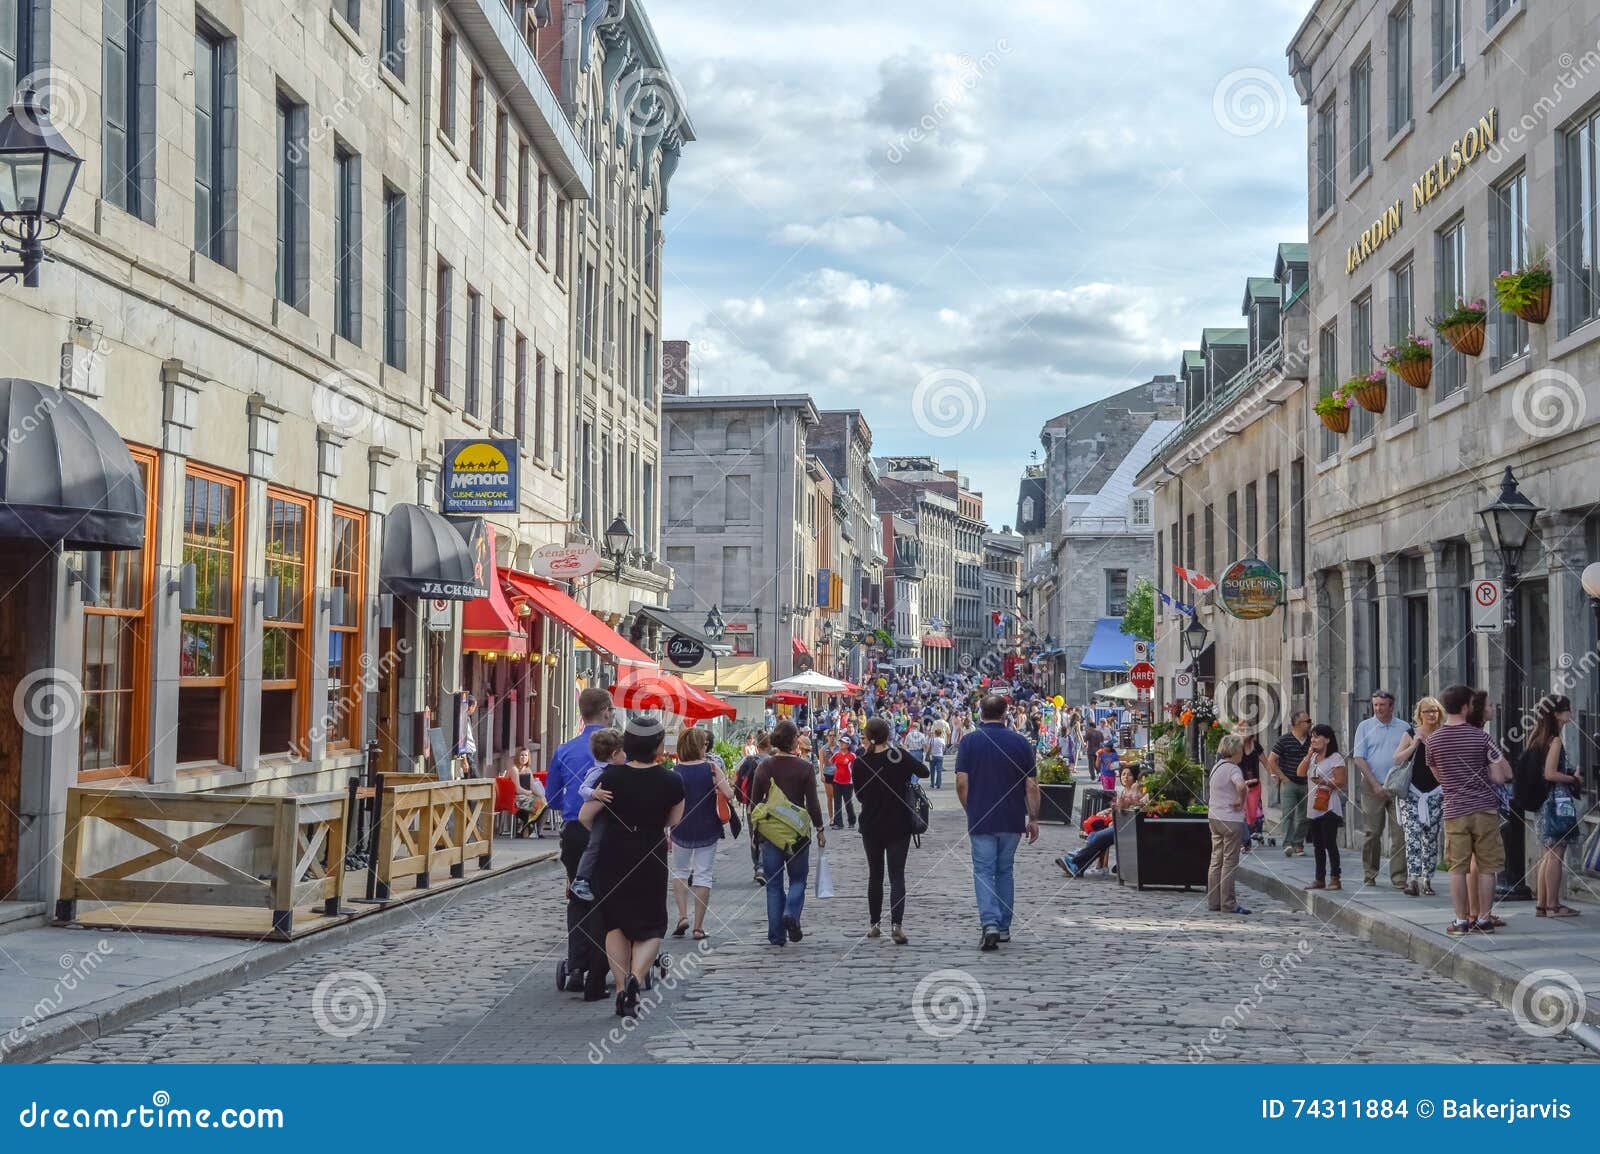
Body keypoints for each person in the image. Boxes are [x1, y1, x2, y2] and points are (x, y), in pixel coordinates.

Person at [578, 715, 685, 1019]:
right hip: (650, 854)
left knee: (615, 925)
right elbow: (674, 820)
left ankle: (623, 986)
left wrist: (610, 832)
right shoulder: (671, 780)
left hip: (613, 856)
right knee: (651, 926)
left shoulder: (611, 776)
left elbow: (586, 816)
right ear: (658, 746)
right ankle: (638, 977)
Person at [547, 688, 617, 999]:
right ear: (605, 712)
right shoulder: (618, 748)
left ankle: (577, 966)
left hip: (575, 831)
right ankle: (604, 965)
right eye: (612, 711)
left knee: (578, 896)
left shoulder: (565, 750)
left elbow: (551, 799)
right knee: (609, 897)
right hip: (611, 829)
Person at [955, 694, 1041, 951]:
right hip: (1012, 817)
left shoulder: (970, 742)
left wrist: (970, 808)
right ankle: (1003, 926)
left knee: (983, 871)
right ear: (1006, 713)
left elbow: (961, 782)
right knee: (1005, 871)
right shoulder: (1020, 742)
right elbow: (1031, 785)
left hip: (981, 817)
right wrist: (1034, 818)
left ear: (980, 712)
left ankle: (989, 923)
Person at [1427, 683, 1513, 936]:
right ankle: (1484, 919)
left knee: (1458, 868)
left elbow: (1438, 776)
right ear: (1466, 707)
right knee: (1487, 866)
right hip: (1484, 808)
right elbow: (1499, 777)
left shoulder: (1434, 740)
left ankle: (1460, 920)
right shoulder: (1481, 737)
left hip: (1455, 809)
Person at [853, 716, 929, 943]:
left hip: (871, 824)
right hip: (899, 824)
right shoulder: (899, 757)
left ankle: (874, 924)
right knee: (897, 875)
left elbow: (859, 795)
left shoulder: (860, 763)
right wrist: (900, 755)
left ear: (868, 737)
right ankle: (897, 925)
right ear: (888, 735)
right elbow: (923, 772)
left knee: (875, 875)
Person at [751, 721, 826, 945]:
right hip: (796, 833)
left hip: (770, 832)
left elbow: (754, 803)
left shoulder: (764, 767)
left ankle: (776, 935)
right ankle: (791, 913)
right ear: (794, 740)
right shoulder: (804, 768)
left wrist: (754, 835)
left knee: (773, 884)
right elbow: (812, 804)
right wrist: (820, 828)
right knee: (798, 880)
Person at [667, 727, 734, 941]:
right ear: (700, 746)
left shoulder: (675, 772)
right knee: (703, 874)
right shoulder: (712, 769)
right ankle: (698, 927)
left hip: (681, 827)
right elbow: (730, 794)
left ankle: (682, 916)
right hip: (707, 826)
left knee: (679, 871)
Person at [1526, 695, 1583, 918]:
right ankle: (1553, 905)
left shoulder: (1538, 737)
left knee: (1547, 853)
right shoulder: (1555, 740)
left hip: (1544, 801)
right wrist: (1573, 778)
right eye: (1567, 709)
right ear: (1557, 714)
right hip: (1556, 801)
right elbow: (1550, 773)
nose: (1572, 713)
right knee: (1556, 854)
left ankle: (1542, 904)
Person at [1353, 690, 1409, 888]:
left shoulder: (1404, 727)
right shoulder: (1364, 727)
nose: (1377, 709)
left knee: (1400, 833)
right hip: (1371, 784)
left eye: (1382, 705)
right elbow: (1359, 757)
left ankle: (1399, 877)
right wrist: (1375, 784)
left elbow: (1408, 758)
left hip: (1397, 785)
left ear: (1391, 706)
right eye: (1375, 705)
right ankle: (1370, 873)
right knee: (1372, 832)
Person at [1391, 697, 1445, 896]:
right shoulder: (1411, 733)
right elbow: (1396, 760)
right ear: (1419, 714)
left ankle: (1427, 879)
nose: (1431, 715)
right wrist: (1414, 745)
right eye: (1427, 711)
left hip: (1436, 792)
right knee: (1412, 834)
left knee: (1431, 836)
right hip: (1412, 791)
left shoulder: (1444, 734)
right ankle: (1413, 879)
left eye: (1435, 711)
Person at [567, 729, 627, 903]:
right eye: (623, 751)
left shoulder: (616, 770)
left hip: (608, 817)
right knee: (594, 844)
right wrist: (595, 794)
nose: (626, 755)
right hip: (600, 816)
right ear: (615, 754)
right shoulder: (598, 771)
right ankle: (581, 880)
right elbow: (582, 789)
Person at [1056, 763, 1144, 877]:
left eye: (1129, 775)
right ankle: (1078, 866)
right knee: (1094, 835)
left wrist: (1120, 810)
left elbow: (1135, 806)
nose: (1126, 777)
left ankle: (1076, 862)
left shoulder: (1136, 788)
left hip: (1127, 827)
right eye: (1123, 774)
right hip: (1120, 825)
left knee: (1099, 836)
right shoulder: (1123, 792)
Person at [1206, 733, 1251, 915]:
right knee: (1229, 862)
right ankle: (1228, 903)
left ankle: (1214, 901)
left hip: (1214, 818)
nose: (1242, 753)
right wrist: (1242, 799)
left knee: (1216, 860)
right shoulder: (1234, 769)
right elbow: (1240, 786)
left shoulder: (1217, 767)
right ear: (1234, 751)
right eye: (1240, 750)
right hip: (1230, 819)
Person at [1302, 724, 1347, 891]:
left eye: (1317, 736)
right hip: (1313, 807)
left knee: (1330, 844)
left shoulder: (1335, 758)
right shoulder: (1313, 757)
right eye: (1312, 737)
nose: (1313, 740)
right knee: (1317, 845)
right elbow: (1300, 772)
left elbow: (1341, 781)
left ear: (1327, 739)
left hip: (1329, 807)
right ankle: (1319, 878)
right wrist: (1307, 756)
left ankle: (1336, 878)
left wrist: (1325, 782)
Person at [1268, 711, 1312, 856]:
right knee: (1288, 814)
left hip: (1306, 782)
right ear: (1298, 724)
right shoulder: (1284, 740)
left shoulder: (1311, 740)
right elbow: (1271, 760)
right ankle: (1287, 844)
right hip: (1289, 782)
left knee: (1304, 816)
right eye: (1307, 721)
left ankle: (1299, 844)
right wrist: (1283, 778)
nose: (1310, 723)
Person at [734, 731, 771, 885]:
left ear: (757, 744)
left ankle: (757, 867)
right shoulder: (773, 762)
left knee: (754, 836)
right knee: (767, 838)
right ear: (769, 745)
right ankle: (763, 867)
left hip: (751, 806)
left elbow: (736, 777)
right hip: (769, 807)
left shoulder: (748, 760)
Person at [503, 748, 548, 837]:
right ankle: (528, 827)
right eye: (521, 755)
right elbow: (517, 789)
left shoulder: (527, 769)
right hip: (515, 798)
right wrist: (530, 793)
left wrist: (541, 795)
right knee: (537, 804)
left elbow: (532, 786)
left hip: (526, 796)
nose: (524, 757)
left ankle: (537, 831)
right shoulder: (514, 769)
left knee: (546, 804)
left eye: (526, 755)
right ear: (517, 757)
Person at [1238, 728, 1263, 850]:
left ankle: (1251, 833)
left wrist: (1273, 774)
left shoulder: (1256, 746)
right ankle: (1245, 842)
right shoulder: (1236, 746)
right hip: (1240, 784)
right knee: (1242, 812)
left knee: (1252, 813)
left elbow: (1265, 761)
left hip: (1254, 784)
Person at [829, 735, 857, 829]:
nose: (841, 744)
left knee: (848, 803)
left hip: (848, 783)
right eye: (840, 742)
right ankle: (839, 824)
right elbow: (829, 762)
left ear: (848, 745)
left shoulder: (852, 755)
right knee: (837, 803)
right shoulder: (836, 754)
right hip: (837, 781)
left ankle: (852, 821)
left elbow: (856, 767)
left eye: (843, 742)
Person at [928, 725, 948, 790]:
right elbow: (943, 748)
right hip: (940, 756)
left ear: (935, 733)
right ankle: (938, 784)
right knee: (939, 771)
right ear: (940, 734)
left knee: (932, 770)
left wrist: (928, 754)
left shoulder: (932, 739)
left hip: (933, 756)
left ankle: (932, 784)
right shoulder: (942, 740)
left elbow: (930, 748)